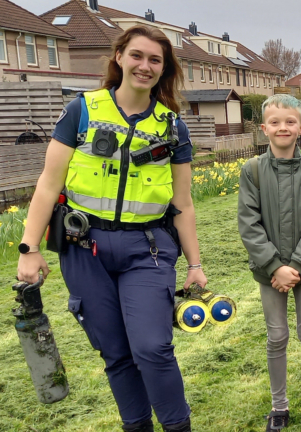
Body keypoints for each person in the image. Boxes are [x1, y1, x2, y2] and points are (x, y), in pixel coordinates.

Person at [15, 26, 204, 432]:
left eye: (155, 60)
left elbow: (183, 204)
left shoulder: (172, 127)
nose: (145, 66)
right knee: (116, 353)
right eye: (137, 56)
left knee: (153, 348)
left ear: (164, 69)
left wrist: (195, 264)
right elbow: (48, 184)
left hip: (147, 249)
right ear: (119, 57)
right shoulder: (80, 111)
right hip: (84, 249)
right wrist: (29, 249)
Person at [238, 94, 301, 431]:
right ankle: (279, 405)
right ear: (264, 129)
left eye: (290, 122)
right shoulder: (252, 172)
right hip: (269, 274)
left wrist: (297, 266)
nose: (283, 127)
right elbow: (249, 223)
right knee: (276, 336)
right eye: (275, 122)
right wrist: (275, 267)